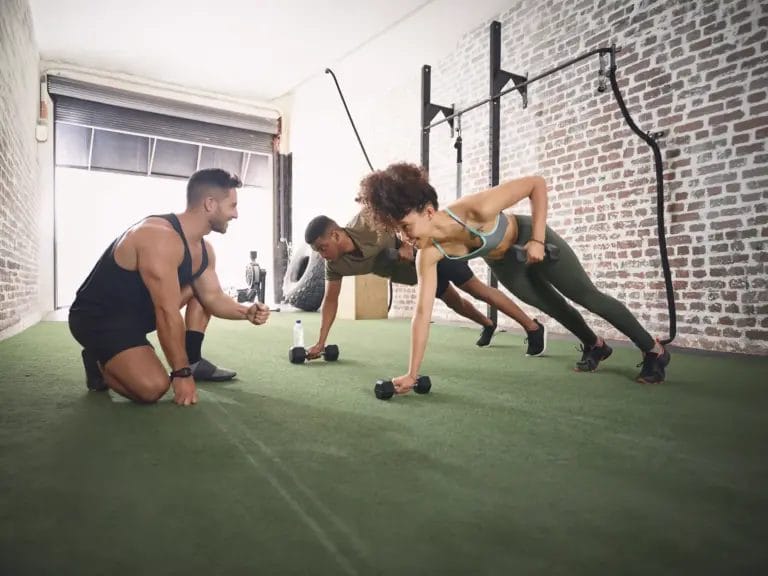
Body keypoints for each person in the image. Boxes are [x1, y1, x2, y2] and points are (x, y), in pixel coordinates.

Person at [356, 163, 671, 392]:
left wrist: (537, 239)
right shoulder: (428, 253)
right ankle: (595, 345)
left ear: (427, 211)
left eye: (405, 226)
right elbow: (422, 313)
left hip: (529, 238)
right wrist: (412, 374)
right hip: (504, 263)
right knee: (553, 307)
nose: (404, 237)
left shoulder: (475, 210)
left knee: (586, 296)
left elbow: (536, 184)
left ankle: (653, 350)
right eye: (397, 230)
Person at [68, 169, 270, 405]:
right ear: (210, 204)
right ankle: (98, 361)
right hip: (99, 320)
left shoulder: (204, 250)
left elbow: (213, 297)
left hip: (137, 316)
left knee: (198, 289)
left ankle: (193, 361)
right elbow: (166, 311)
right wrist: (181, 374)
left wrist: (246, 312)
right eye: (232, 206)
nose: (235, 214)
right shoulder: (158, 238)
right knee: (153, 388)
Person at [303, 211, 546, 359]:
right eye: (318, 251)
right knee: (454, 302)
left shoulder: (366, 220)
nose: (322, 255)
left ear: (335, 235)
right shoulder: (334, 265)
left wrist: (405, 244)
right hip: (416, 273)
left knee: (475, 289)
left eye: (323, 248)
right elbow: (330, 301)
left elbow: (402, 215)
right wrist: (321, 342)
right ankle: (488, 324)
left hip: (430, 251)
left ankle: (533, 327)